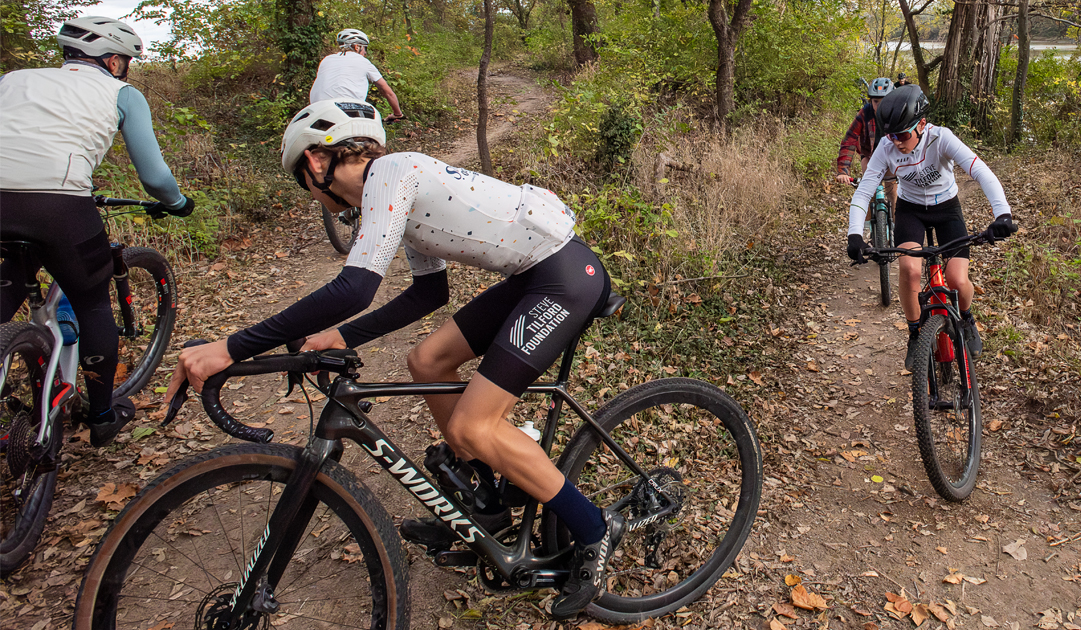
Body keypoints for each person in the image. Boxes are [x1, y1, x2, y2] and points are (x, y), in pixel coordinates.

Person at [165, 99, 624, 619]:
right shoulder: (390, 193)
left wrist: (230, 347)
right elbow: (428, 294)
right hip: (530, 277)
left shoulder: (391, 174)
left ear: (316, 163)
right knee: (426, 362)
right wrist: (342, 336)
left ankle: (593, 528)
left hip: (563, 277)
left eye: (301, 180)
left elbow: (356, 288)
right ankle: (489, 504)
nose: (310, 193)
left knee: (476, 426)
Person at [0, 16, 194, 447]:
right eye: (124, 60)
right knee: (90, 302)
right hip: (59, 202)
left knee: (11, 276)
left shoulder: (13, 79)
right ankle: (103, 415)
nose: (125, 67)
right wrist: (177, 203)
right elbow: (155, 176)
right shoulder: (122, 92)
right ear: (111, 59)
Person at [845, 85, 1016, 370]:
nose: (896, 142)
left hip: (947, 209)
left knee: (958, 281)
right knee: (910, 270)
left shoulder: (941, 138)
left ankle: (968, 319)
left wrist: (1003, 215)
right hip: (911, 212)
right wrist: (854, 234)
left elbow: (980, 171)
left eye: (902, 135)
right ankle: (915, 334)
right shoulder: (887, 147)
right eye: (891, 135)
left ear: (922, 124)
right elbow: (864, 191)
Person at [310, 28, 404, 121]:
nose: (365, 52)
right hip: (348, 109)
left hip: (317, 110)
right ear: (357, 47)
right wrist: (398, 114)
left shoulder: (326, 60)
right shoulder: (363, 61)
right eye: (365, 48)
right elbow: (387, 92)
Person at [836, 77, 897, 210]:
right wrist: (843, 171)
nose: (880, 106)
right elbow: (849, 140)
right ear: (870, 101)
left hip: (892, 156)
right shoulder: (865, 113)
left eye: (885, 101)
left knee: (893, 193)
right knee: (868, 191)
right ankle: (868, 224)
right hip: (870, 155)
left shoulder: (897, 114)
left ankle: (896, 228)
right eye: (876, 102)